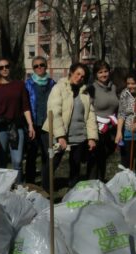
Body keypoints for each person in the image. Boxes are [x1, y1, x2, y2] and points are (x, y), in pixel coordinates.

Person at [42, 62, 98, 191]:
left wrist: (92, 137)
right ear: (71, 72)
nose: (80, 78)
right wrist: (61, 136)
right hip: (57, 133)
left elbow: (90, 115)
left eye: (83, 76)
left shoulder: (85, 92)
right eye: (77, 74)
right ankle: (46, 191)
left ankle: (72, 189)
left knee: (75, 163)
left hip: (78, 134)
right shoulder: (58, 88)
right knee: (52, 163)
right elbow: (54, 112)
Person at [0, 58, 35, 183]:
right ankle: (3, 189)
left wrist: (30, 125)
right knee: (1, 161)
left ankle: (18, 187)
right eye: (1, 67)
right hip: (1, 128)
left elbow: (25, 106)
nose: (4, 69)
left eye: (7, 66)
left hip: (17, 126)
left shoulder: (19, 85)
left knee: (17, 161)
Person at [24, 56, 56, 185]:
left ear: (46, 66)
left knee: (46, 155)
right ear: (33, 68)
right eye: (36, 66)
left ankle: (45, 183)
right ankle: (30, 183)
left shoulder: (52, 83)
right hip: (33, 124)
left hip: (47, 124)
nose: (39, 68)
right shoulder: (28, 84)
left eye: (41, 65)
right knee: (31, 155)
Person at [86, 60, 119, 182]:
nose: (104, 74)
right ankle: (91, 185)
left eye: (105, 71)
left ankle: (101, 184)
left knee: (103, 159)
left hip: (110, 130)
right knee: (94, 160)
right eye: (100, 72)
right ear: (95, 74)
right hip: (96, 129)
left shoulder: (114, 87)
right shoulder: (91, 89)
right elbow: (87, 110)